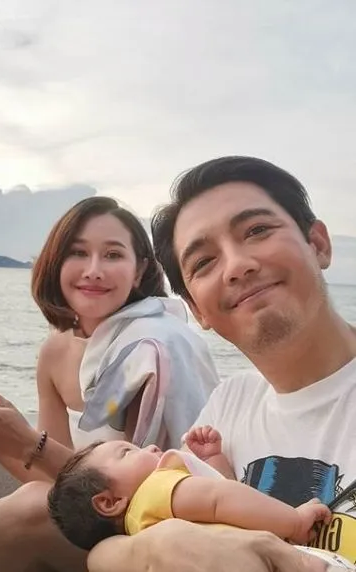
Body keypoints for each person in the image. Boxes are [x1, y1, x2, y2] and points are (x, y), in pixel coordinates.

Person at [86, 156, 356, 572]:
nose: (237, 266)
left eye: (257, 230)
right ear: (197, 310)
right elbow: (114, 544)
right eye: (204, 262)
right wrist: (150, 550)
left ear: (317, 244)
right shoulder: (229, 406)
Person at [0, 196, 219, 572]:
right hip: (100, 521)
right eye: (78, 253)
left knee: (20, 514)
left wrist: (28, 442)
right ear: (56, 263)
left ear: (140, 269)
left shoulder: (157, 346)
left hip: (165, 526)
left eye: (112, 255)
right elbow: (58, 484)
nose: (93, 270)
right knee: (34, 501)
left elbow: (151, 491)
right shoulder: (56, 351)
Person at [47, 437, 353, 569]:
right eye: (127, 452)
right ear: (110, 502)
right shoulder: (155, 489)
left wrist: (213, 461)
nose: (149, 446)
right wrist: (294, 521)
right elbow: (221, 497)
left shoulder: (144, 527)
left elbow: (220, 501)